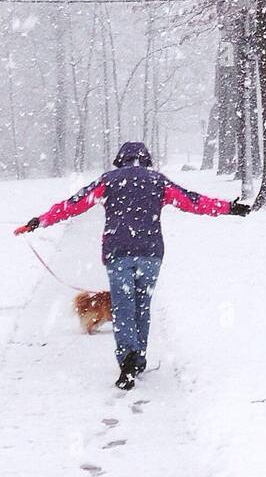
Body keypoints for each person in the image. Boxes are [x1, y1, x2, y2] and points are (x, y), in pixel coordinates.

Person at [14, 141, 250, 390]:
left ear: (120, 160)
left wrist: (38, 222)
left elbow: (73, 204)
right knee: (142, 305)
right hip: (150, 254)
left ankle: (127, 355)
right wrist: (228, 208)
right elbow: (192, 201)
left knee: (123, 307)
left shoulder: (109, 180)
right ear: (146, 159)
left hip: (119, 252)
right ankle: (138, 357)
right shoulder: (158, 181)